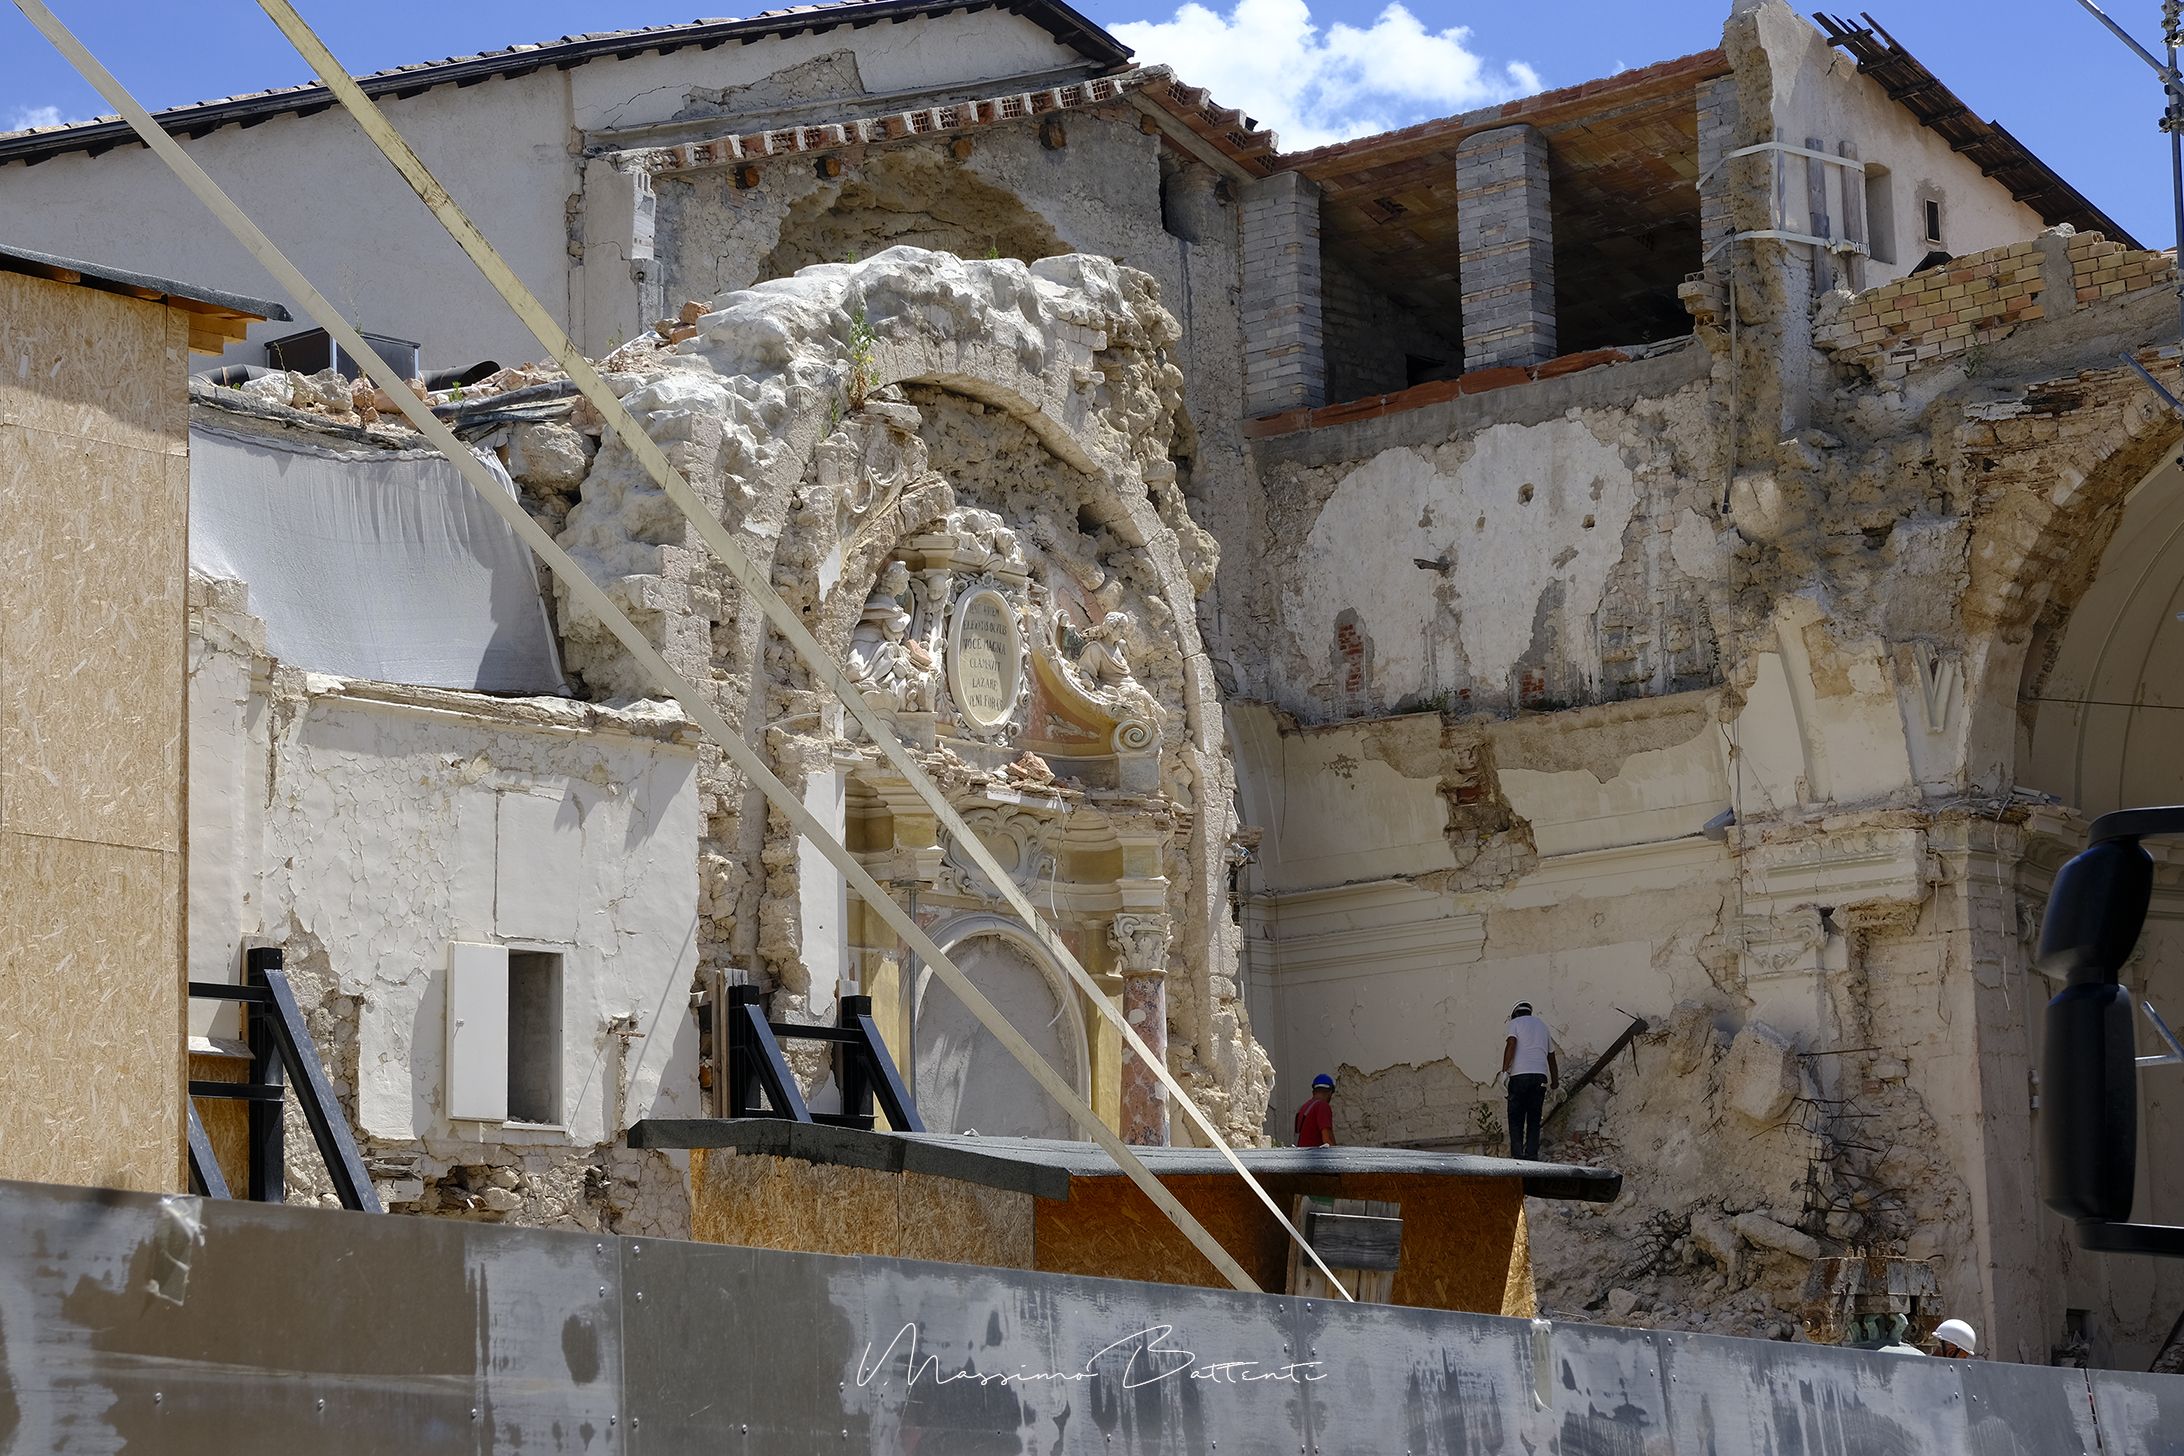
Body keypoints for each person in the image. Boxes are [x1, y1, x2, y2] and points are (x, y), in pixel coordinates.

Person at [1502, 1001, 1559, 1161]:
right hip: (1540, 1076)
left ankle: (1518, 1156)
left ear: (1515, 1014)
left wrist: (1505, 1070)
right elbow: (1551, 1057)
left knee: (1516, 1118)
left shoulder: (1515, 1023)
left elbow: (1511, 1044)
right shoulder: (1542, 1026)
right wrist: (1555, 1084)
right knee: (1534, 1118)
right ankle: (1532, 1155)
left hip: (1520, 1075)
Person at [1295, 1073, 1337, 1147]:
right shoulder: (1322, 1106)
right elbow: (1327, 1140)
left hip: (1301, 1153)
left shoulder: (1303, 1107)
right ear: (1330, 1093)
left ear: (1313, 1092)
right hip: (1315, 1155)